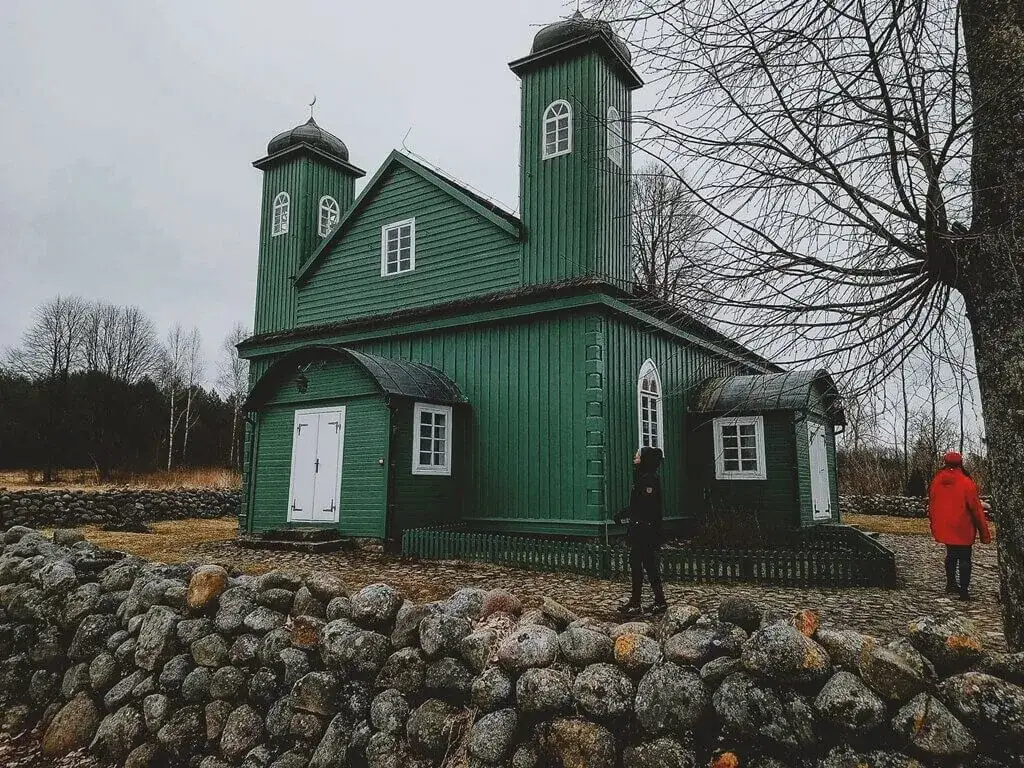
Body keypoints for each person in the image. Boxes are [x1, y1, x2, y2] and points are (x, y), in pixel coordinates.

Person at [927, 451, 992, 601]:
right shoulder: (966, 482)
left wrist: (935, 524)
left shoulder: (937, 480)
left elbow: (933, 504)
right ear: (960, 463)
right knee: (964, 558)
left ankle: (950, 584)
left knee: (951, 554)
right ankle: (964, 592)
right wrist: (984, 533)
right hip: (963, 526)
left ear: (945, 462)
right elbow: (976, 509)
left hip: (946, 525)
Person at [614, 446, 668, 616]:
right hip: (642, 529)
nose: (634, 458)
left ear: (644, 460)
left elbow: (646, 507)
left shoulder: (648, 480)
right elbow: (637, 505)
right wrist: (622, 515)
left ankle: (638, 603)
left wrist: (636, 522)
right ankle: (656, 601)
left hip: (644, 531)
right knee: (647, 565)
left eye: (637, 456)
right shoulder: (643, 478)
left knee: (639, 565)